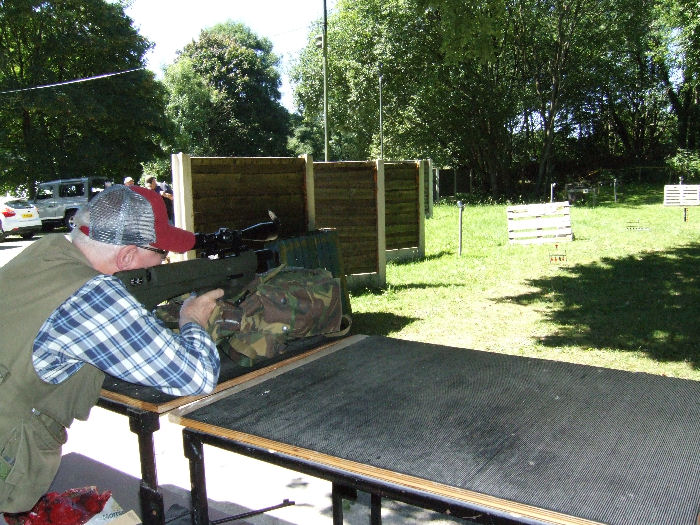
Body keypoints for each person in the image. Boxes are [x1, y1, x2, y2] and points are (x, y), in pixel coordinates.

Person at [0, 185, 223, 513]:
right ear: (128, 256)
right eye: (162, 253)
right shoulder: (93, 296)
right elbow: (197, 377)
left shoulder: (45, 252)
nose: (166, 261)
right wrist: (192, 320)